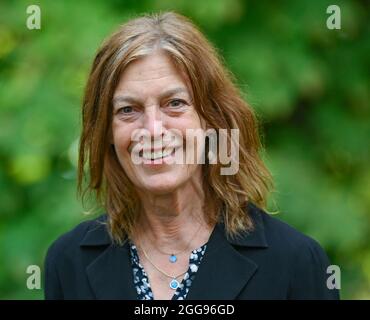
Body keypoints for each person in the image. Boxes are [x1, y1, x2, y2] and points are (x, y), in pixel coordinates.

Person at [44, 12, 339, 300]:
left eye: (174, 103)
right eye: (127, 110)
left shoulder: (295, 263)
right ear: (107, 131)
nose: (153, 129)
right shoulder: (69, 263)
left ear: (211, 119)